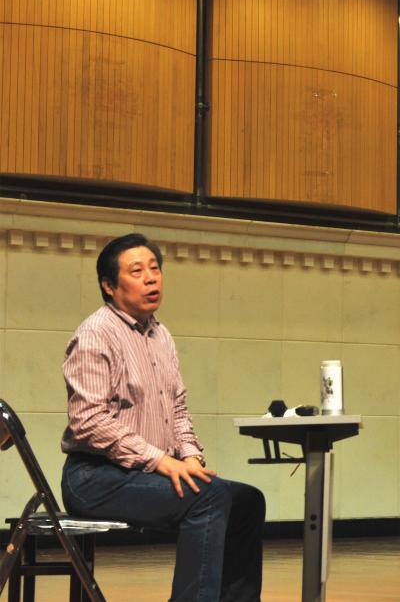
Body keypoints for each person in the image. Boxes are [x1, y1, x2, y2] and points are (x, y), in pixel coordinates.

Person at [60, 233, 265, 602]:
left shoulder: (161, 334)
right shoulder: (95, 335)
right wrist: (161, 461)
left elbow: (178, 409)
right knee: (208, 498)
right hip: (95, 477)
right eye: (137, 271)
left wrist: (190, 457)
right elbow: (88, 422)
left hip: (144, 473)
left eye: (155, 269)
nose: (151, 278)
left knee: (247, 500)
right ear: (109, 286)